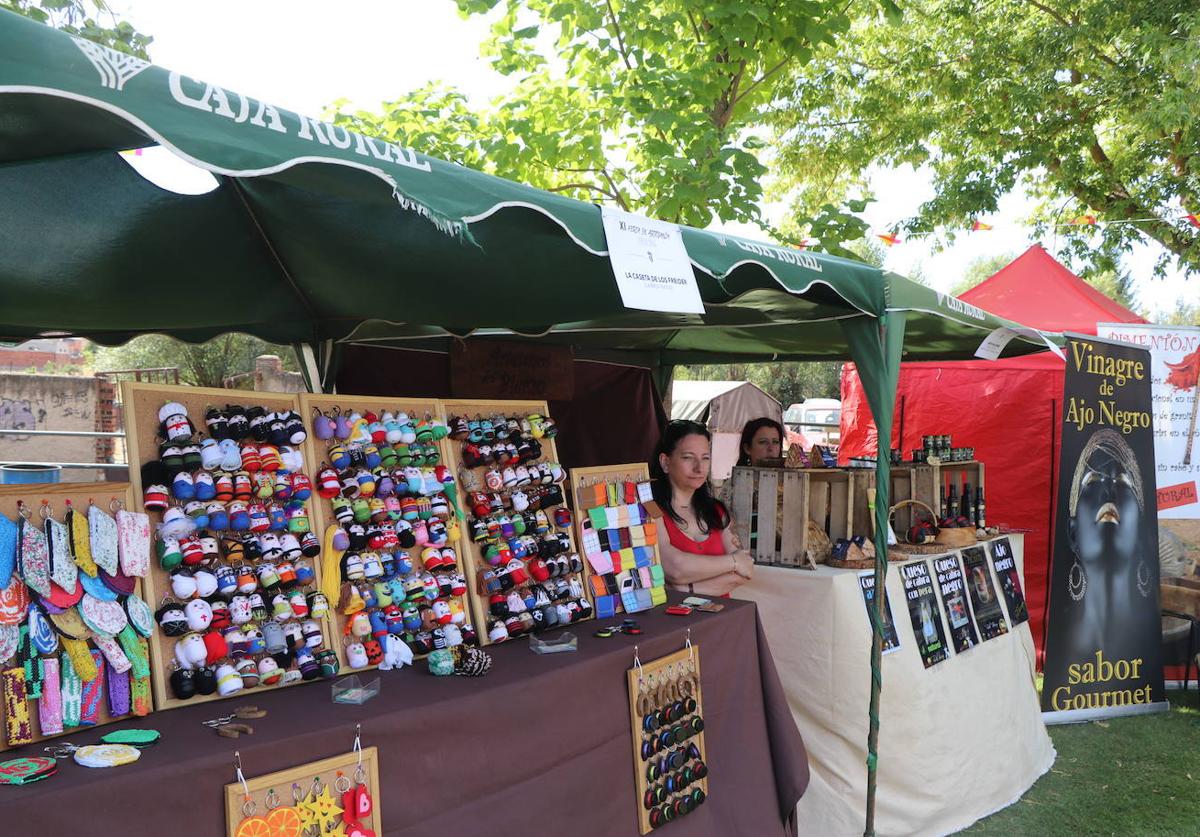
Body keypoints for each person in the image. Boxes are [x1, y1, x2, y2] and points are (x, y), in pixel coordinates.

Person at [651, 420, 753, 596]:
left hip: (719, 617)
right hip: (675, 621)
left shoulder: (717, 512)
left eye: (705, 458)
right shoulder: (652, 511)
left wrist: (685, 590)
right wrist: (733, 561)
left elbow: (745, 571)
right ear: (665, 462)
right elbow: (674, 568)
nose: (699, 467)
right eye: (688, 457)